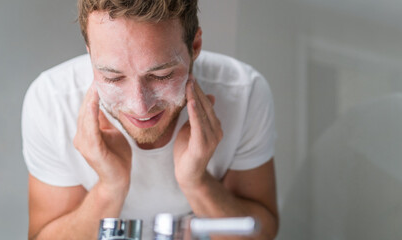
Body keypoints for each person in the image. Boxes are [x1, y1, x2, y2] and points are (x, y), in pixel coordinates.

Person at [22, 0, 278, 239]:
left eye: (162, 75)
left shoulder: (243, 92)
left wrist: (197, 183)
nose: (140, 106)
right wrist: (109, 188)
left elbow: (262, 233)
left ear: (195, 47)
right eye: (113, 78)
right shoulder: (51, 101)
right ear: (90, 55)